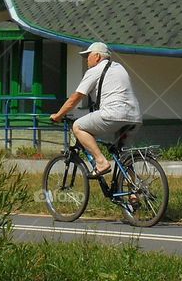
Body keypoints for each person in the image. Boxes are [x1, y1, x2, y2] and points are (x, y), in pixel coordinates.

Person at [50, 41, 142, 178]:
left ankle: (101, 162)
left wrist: (58, 115)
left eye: (88, 55)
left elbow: (76, 97)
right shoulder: (119, 68)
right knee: (125, 156)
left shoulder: (94, 71)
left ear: (97, 56)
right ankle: (134, 193)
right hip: (134, 117)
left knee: (78, 127)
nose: (87, 59)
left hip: (113, 114)